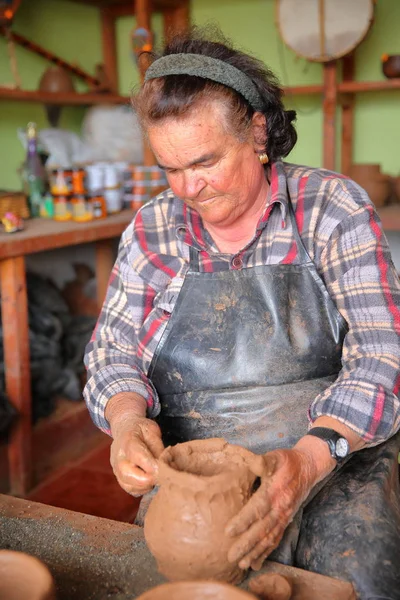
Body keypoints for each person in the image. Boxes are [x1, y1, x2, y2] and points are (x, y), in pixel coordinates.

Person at [84, 28, 400, 600]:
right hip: (203, 463)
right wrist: (127, 421)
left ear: (257, 131)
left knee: (361, 578)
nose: (188, 188)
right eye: (169, 169)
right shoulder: (154, 229)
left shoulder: (331, 208)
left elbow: (384, 357)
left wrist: (306, 463)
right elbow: (113, 352)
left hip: (333, 448)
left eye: (204, 161)